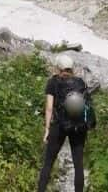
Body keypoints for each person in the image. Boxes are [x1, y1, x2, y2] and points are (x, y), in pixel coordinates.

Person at [37, 54, 89, 192]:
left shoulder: (53, 82)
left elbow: (49, 108)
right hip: (78, 126)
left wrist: (47, 128)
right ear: (71, 68)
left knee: (48, 163)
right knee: (78, 164)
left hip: (59, 126)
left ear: (58, 67)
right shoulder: (80, 82)